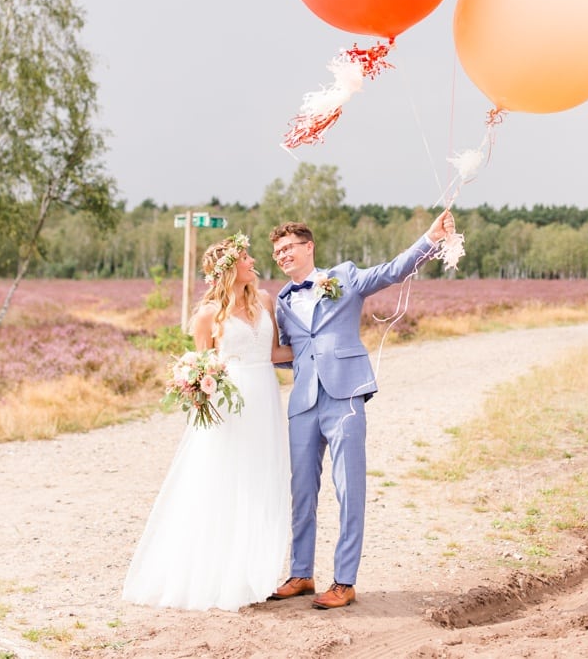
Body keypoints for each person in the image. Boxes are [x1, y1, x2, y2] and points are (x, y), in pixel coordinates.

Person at [267, 208, 455, 610]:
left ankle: (344, 581)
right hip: (303, 402)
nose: (282, 256)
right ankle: (301, 573)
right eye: (277, 252)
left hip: (346, 394)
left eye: (289, 248)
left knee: (349, 488)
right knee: (302, 491)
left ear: (309, 247)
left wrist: (430, 238)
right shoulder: (281, 303)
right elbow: (286, 352)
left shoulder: (345, 277)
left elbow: (393, 271)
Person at [123, 233, 293, 610]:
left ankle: (251, 573)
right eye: (246, 258)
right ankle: (218, 576)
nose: (253, 262)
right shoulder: (206, 315)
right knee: (225, 481)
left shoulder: (265, 301)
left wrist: (317, 349)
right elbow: (202, 365)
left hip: (264, 399)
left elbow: (275, 351)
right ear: (230, 269)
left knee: (260, 480)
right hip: (230, 407)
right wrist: (197, 386)